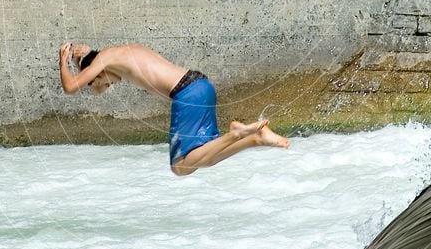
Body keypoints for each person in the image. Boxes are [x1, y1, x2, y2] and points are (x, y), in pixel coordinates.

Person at [58, 42, 289, 176]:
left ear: (95, 71)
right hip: (201, 85)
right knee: (203, 158)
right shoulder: (123, 53)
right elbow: (95, 87)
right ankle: (254, 139)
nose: (107, 86)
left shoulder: (105, 60)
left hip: (186, 94)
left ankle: (239, 134)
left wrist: (64, 61)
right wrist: (83, 58)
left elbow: (70, 87)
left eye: (103, 82)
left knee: (180, 166)